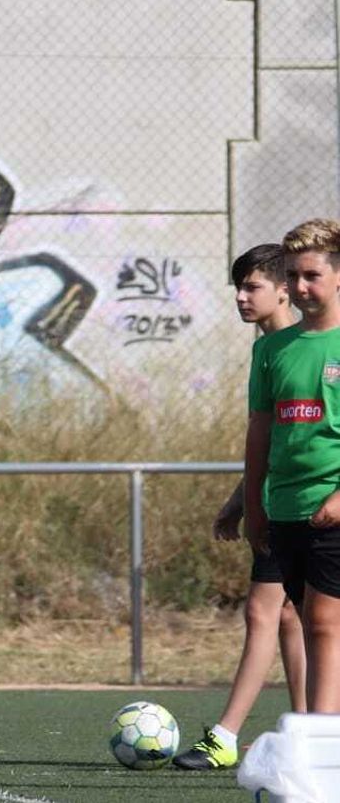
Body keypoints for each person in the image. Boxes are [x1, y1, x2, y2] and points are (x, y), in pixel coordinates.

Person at [174, 244, 306, 769]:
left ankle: (225, 737)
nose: (240, 296)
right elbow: (268, 437)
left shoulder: (310, 345)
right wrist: (241, 500)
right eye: (238, 286)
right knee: (291, 618)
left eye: (251, 286)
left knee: (262, 611)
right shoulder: (267, 351)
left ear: (283, 289)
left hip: (305, 503)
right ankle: (311, 732)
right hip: (277, 500)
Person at [245, 218, 340, 715]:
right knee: (307, 620)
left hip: (334, 508)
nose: (301, 287)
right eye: (293, 276)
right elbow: (260, 431)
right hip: (285, 507)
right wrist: (254, 504)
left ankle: (322, 742)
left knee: (325, 621)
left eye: (312, 276)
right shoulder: (271, 349)